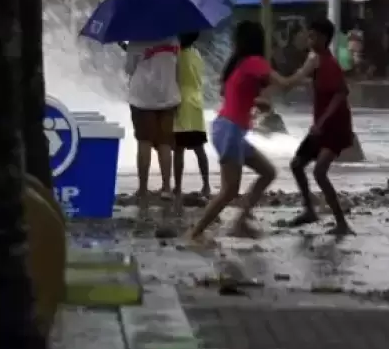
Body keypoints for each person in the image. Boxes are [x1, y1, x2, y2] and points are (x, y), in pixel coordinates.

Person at [188, 20, 299, 242]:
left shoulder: (236, 63)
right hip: (230, 130)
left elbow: (228, 94)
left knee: (268, 172)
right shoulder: (255, 62)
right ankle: (194, 233)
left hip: (226, 128)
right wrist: (309, 67)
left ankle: (240, 221)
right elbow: (286, 84)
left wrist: (256, 102)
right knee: (229, 191)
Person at [288, 17, 354, 235]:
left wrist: (322, 122)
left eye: (313, 35)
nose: (309, 38)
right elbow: (297, 77)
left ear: (324, 38)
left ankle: (342, 224)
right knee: (297, 164)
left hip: (334, 127)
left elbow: (341, 93)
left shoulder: (329, 63)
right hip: (321, 126)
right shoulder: (315, 59)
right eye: (309, 35)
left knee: (319, 172)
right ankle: (309, 210)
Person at [125, 37, 181, 200]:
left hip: (143, 99)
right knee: (165, 143)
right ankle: (166, 188)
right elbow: (177, 68)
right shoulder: (173, 40)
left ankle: (143, 189)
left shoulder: (136, 41)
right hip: (168, 97)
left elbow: (129, 69)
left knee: (144, 142)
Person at [173, 32, 211, 198]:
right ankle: (207, 185)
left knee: (179, 149)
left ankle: (178, 186)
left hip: (181, 103)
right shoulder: (196, 54)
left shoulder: (177, 56)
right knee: (199, 148)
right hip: (196, 103)